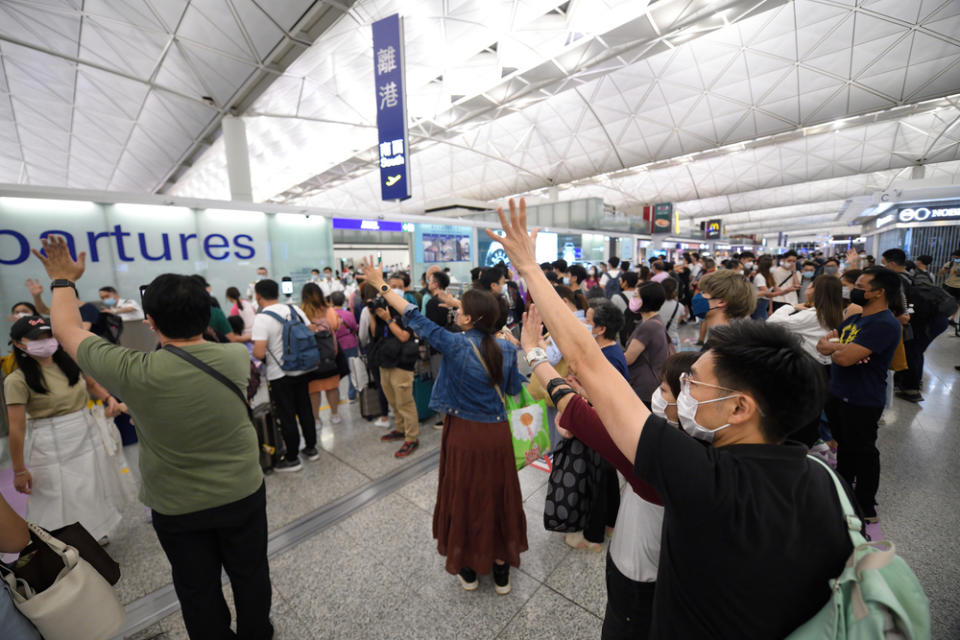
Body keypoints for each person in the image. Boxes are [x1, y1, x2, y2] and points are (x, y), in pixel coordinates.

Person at [489, 199, 856, 638]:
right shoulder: (824, 478)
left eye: (693, 385)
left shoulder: (702, 476)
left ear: (740, 408)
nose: (681, 394)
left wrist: (530, 271)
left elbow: (588, 362)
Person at [33, 238, 272, 640]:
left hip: (178, 507)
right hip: (242, 493)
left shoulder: (132, 371)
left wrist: (62, 280)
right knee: (250, 573)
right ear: (205, 315)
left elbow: (65, 329)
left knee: (197, 588)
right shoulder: (232, 359)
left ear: (150, 321)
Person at [357, 256, 526, 595]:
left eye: (459, 309)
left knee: (464, 496)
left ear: (467, 318)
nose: (455, 312)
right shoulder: (507, 349)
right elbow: (510, 390)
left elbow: (413, 315)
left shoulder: (454, 344)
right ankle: (501, 568)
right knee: (497, 494)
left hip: (463, 432)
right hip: (496, 434)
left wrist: (382, 284)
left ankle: (468, 567)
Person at [5, 315, 125, 542]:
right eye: (36, 338)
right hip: (51, 442)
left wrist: (108, 398)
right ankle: (63, 543)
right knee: (59, 494)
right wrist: (19, 470)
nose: (45, 341)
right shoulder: (17, 380)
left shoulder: (69, 362)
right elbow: (16, 428)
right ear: (19, 344)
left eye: (48, 335)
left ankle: (96, 532)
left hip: (85, 432)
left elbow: (90, 384)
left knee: (91, 486)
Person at [817, 266, 902, 522]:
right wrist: (845, 349)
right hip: (838, 393)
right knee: (845, 447)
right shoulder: (855, 319)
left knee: (864, 451)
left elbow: (842, 357)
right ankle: (843, 490)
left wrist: (841, 350)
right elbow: (824, 345)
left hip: (863, 399)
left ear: (879, 293)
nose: (854, 291)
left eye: (861, 288)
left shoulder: (885, 324)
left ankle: (866, 505)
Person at [252, 278, 320, 472]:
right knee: (305, 408)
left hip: (279, 373)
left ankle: (292, 458)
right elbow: (309, 331)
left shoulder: (262, 318)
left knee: (287, 414)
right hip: (302, 368)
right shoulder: (294, 309)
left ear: (258, 296)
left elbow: (258, 352)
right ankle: (311, 449)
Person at [768, 275, 844, 446]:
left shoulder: (812, 315)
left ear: (817, 292)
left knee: (801, 410)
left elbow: (772, 323)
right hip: (824, 368)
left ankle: (796, 445)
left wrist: (789, 306)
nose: (806, 290)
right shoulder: (835, 312)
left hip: (807, 368)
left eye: (810, 287)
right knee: (813, 411)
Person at [369, 279, 420, 457]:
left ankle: (412, 438)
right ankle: (400, 428)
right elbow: (375, 333)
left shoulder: (406, 310)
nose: (393, 289)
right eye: (391, 285)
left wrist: (388, 319)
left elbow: (404, 336)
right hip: (385, 360)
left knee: (405, 402)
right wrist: (373, 314)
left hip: (402, 363)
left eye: (397, 286)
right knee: (392, 400)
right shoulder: (383, 310)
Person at [300, 283, 343, 425]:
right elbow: (336, 326)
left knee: (313, 390)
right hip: (330, 355)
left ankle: (316, 419)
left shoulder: (302, 312)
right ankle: (335, 415)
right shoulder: (328, 310)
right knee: (332, 387)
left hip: (311, 358)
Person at [624, 283, 670, 405]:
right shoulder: (655, 321)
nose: (632, 299)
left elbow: (628, 358)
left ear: (647, 300)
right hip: (651, 383)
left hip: (643, 386)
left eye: (636, 296)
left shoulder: (648, 326)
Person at [357, 283, 390, 428]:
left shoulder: (367, 310)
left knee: (380, 382)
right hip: (390, 347)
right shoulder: (386, 304)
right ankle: (393, 409)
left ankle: (384, 416)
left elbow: (363, 335)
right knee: (390, 380)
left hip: (375, 350)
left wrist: (364, 346)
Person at [695, 269, 756, 342]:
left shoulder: (725, 345)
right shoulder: (730, 337)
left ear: (721, 302)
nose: (698, 296)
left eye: (704, 292)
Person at [329, 291, 360, 402]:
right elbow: (355, 328)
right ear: (343, 301)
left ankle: (335, 397)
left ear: (331, 301)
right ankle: (351, 396)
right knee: (352, 370)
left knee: (335, 371)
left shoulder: (329, 314)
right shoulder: (348, 314)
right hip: (350, 344)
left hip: (334, 345)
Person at [657, 278, 683, 347]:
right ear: (675, 290)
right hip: (672, 340)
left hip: (657, 339)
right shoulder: (679, 306)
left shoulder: (655, 304)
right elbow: (677, 323)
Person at [938, 248, 960, 327]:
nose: (956, 260)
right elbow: (940, 274)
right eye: (954, 258)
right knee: (944, 302)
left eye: (957, 258)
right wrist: (944, 270)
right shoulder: (950, 263)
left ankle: (952, 319)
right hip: (948, 285)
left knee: (958, 304)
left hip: (959, 287)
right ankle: (941, 317)